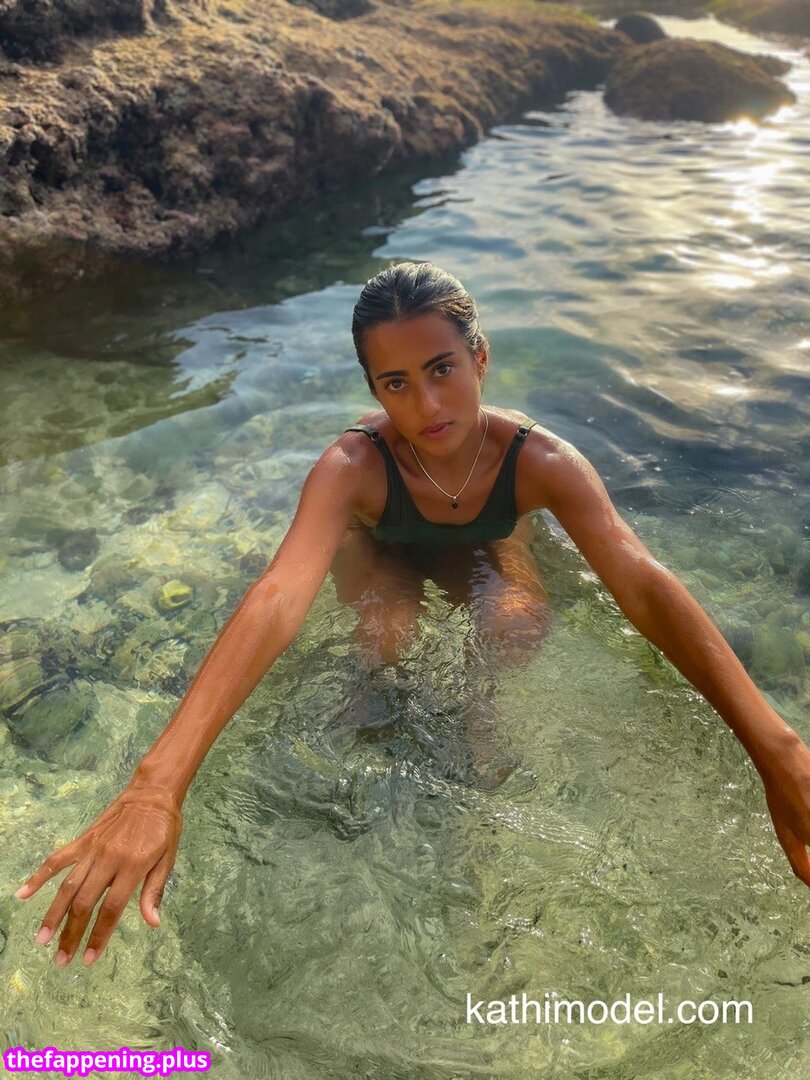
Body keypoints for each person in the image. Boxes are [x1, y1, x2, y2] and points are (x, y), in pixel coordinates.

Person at [13, 261, 810, 970]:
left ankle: (478, 770)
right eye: (395, 384)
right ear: (373, 391)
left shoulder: (541, 461)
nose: (426, 404)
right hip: (382, 545)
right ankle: (370, 767)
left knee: (513, 629)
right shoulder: (352, 467)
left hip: (488, 542)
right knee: (382, 636)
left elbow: (642, 583)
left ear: (480, 357)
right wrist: (155, 787)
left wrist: (778, 750)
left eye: (442, 369)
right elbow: (279, 595)